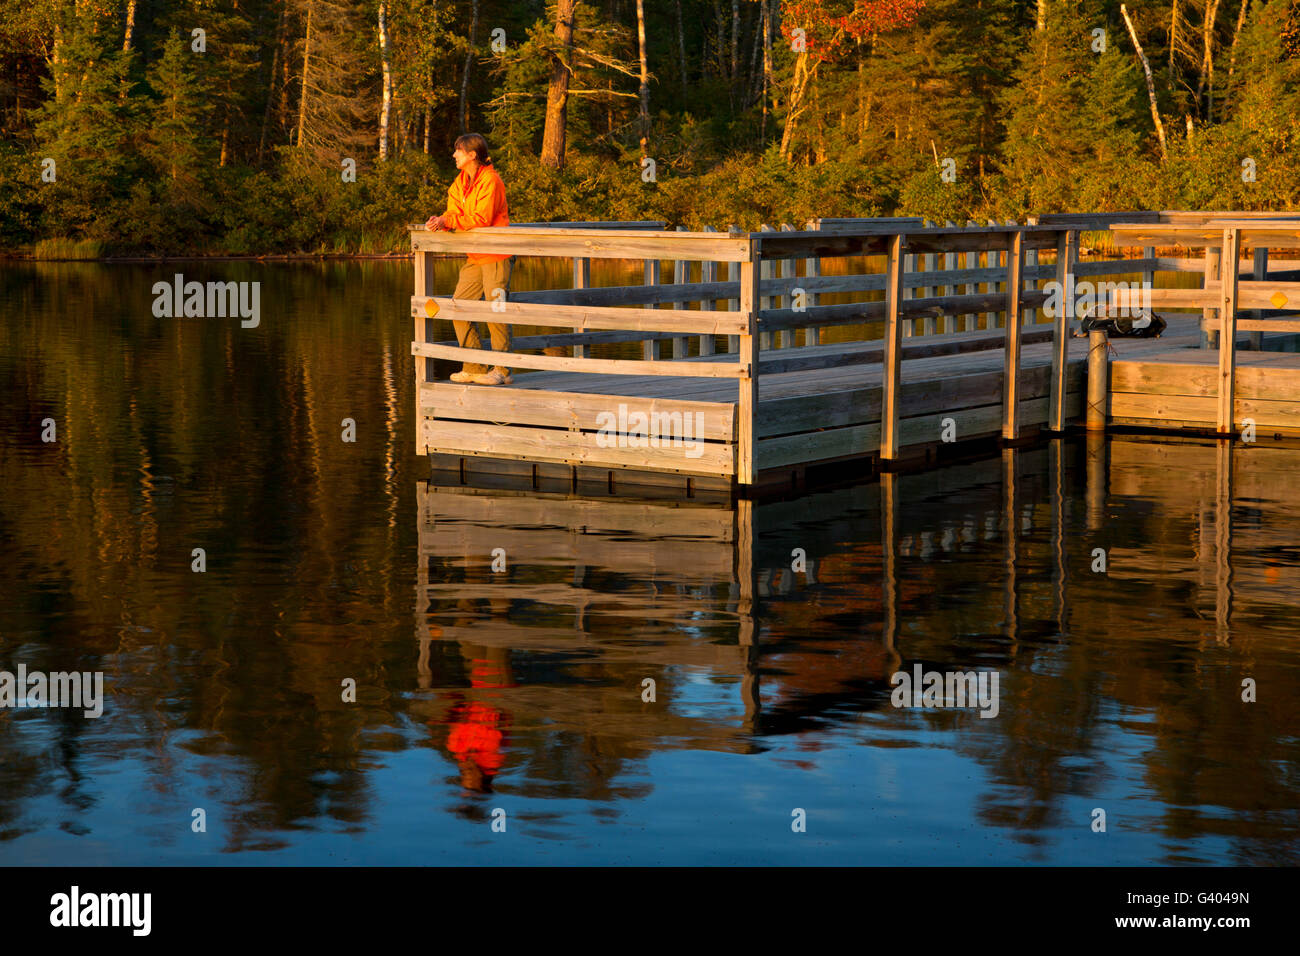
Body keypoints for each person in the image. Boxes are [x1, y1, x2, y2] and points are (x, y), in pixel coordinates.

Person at [426, 133, 514, 386]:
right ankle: (474, 367)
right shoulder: (460, 182)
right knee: (459, 307)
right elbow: (454, 212)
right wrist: (439, 221)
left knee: (495, 311)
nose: (454, 155)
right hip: (475, 254)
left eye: (458, 151)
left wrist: (448, 221)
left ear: (472, 155)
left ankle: (503, 370)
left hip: (497, 254)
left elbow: (482, 218)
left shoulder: (491, 180)